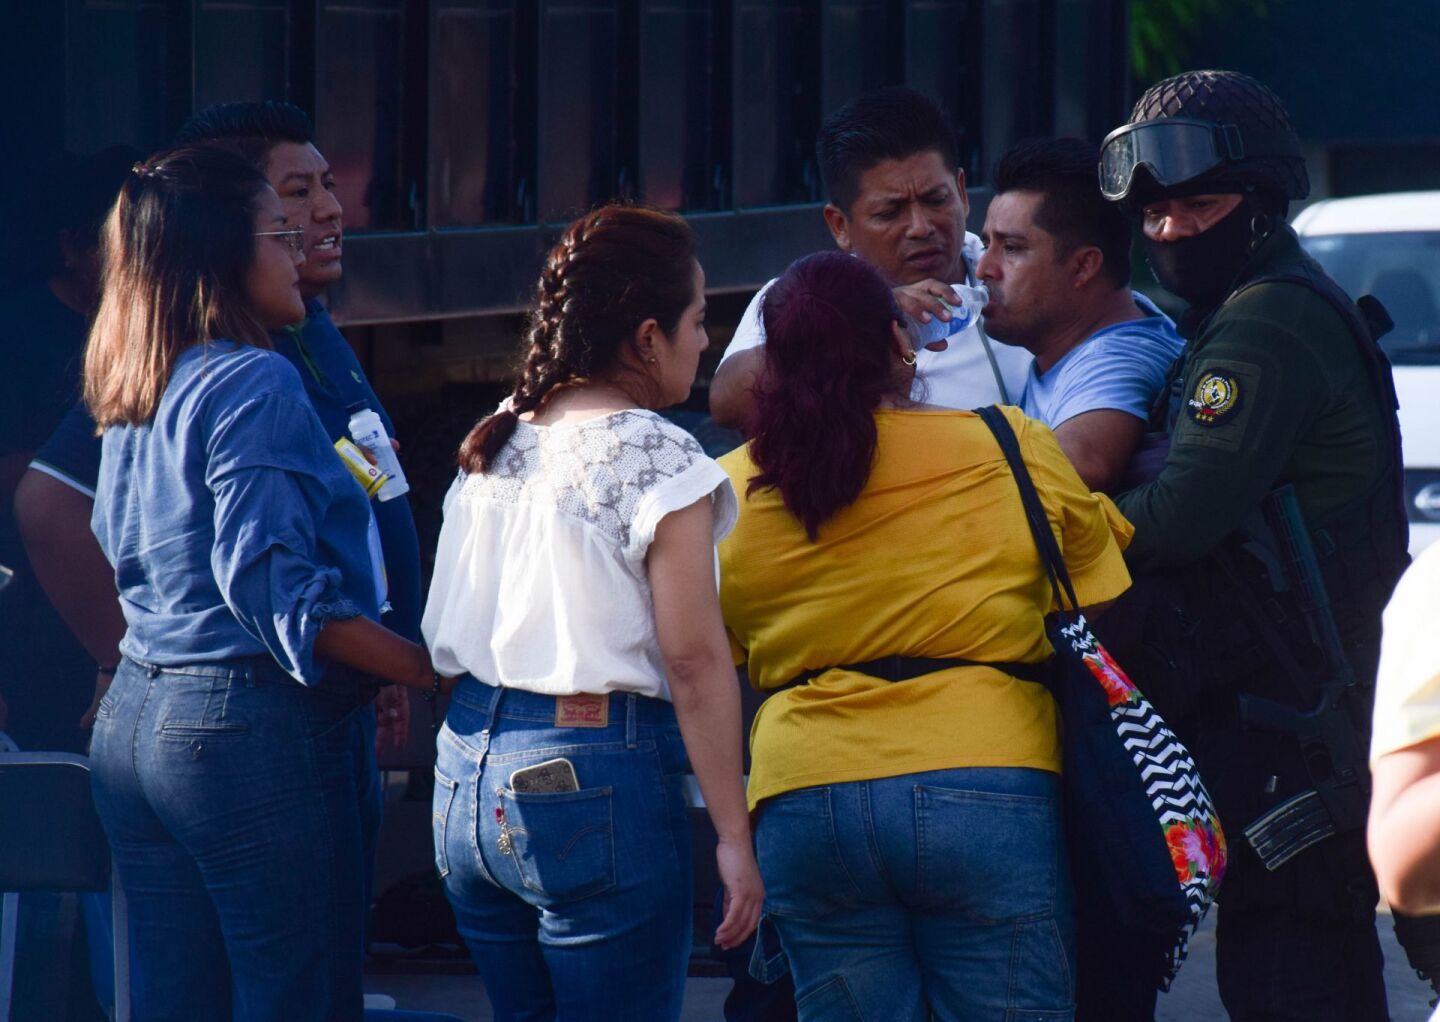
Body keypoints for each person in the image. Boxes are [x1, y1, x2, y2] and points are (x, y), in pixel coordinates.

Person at [717, 250, 1133, 1021]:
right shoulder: (1009, 445)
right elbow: (1095, 593)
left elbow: (722, 650)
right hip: (989, 778)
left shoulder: (729, 491)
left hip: (805, 799)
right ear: (897, 342)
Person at [84, 145, 436, 1022]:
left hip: (136, 722)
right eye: (279, 232)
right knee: (301, 998)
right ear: (223, 256)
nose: (297, 251)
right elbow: (277, 590)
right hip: (245, 731)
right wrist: (430, 667)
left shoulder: (140, 383)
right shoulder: (256, 379)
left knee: (176, 1000)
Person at [1098, 70, 1410, 1020]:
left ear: (1263, 202)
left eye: (1199, 206)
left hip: (1299, 725)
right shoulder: (1252, 309)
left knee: (1291, 977)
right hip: (1285, 714)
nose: (1170, 231)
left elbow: (1179, 516)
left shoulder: (1267, 320)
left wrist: (1046, 521)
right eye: (1155, 213)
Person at [422, 205, 763, 1021]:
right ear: (647, 338)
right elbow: (693, 661)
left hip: (463, 775)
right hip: (590, 776)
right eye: (697, 320)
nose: (704, 341)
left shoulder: (499, 431)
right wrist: (733, 836)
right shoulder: (657, 451)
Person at [16, 101, 420, 752]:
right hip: (254, 716)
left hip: (302, 691)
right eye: (294, 197)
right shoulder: (231, 369)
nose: (328, 210)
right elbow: (52, 503)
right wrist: (126, 662)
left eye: (328, 185)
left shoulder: (304, 326)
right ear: (228, 222)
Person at [708, 87, 1030, 429]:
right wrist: (859, 320)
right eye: (890, 213)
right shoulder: (805, 298)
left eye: (936, 200)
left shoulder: (1018, 278)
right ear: (840, 225)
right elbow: (727, 403)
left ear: (962, 193)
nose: (920, 227)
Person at [0, 147, 136, 754]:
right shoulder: (17, 336)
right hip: (32, 599)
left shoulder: (149, 331)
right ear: (71, 247)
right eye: (116, 243)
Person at [976, 137, 1183, 492]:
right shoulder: (1114, 323)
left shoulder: (1118, 357)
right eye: (986, 244)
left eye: (1011, 248)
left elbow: (1081, 466)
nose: (983, 269)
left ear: (1084, 266)